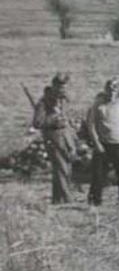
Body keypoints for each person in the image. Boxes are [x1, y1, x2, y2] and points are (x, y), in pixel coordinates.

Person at [85, 79, 119, 208]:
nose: (112, 93)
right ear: (105, 90)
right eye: (109, 90)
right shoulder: (98, 105)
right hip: (103, 144)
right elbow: (91, 125)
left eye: (114, 91)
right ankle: (95, 200)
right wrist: (97, 143)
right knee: (98, 174)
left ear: (118, 92)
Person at [32, 74, 78, 204]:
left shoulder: (64, 100)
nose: (62, 90)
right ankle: (68, 199)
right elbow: (37, 123)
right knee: (61, 168)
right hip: (53, 139)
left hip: (67, 137)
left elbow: (68, 117)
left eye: (64, 88)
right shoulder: (44, 102)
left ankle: (57, 199)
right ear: (53, 86)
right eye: (59, 87)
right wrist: (53, 121)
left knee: (67, 167)